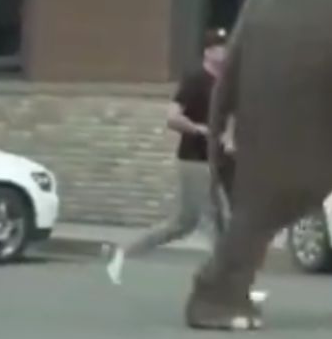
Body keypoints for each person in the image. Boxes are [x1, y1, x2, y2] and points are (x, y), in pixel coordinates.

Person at [105, 28, 265, 303]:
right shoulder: (194, 80)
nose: (225, 52)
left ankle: (124, 251)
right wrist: (200, 130)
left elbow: (232, 115)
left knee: (189, 223)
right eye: (219, 47)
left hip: (218, 161)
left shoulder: (227, 82)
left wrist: (228, 137)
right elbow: (172, 117)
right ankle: (232, 288)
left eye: (227, 47)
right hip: (193, 161)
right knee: (211, 224)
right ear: (208, 51)